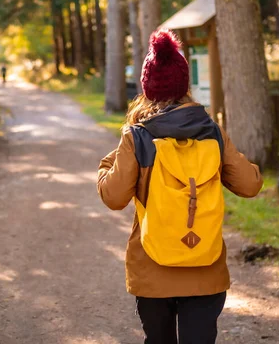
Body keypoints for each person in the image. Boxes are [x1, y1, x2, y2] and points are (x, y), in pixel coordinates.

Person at [97, 29, 263, 344]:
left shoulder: (137, 137)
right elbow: (250, 184)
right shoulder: (212, 133)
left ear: (147, 89)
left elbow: (114, 197)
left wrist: (106, 168)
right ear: (184, 86)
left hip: (152, 269)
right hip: (206, 268)